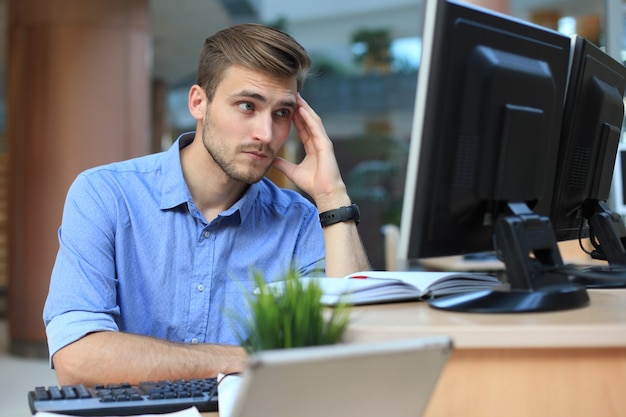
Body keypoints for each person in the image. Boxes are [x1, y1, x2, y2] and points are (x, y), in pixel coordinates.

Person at [43, 23, 370, 386]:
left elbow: (350, 350)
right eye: (248, 105)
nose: (266, 133)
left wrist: (332, 196)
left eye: (281, 113)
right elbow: (77, 359)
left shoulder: (298, 219)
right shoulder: (106, 194)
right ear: (199, 102)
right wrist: (254, 359)